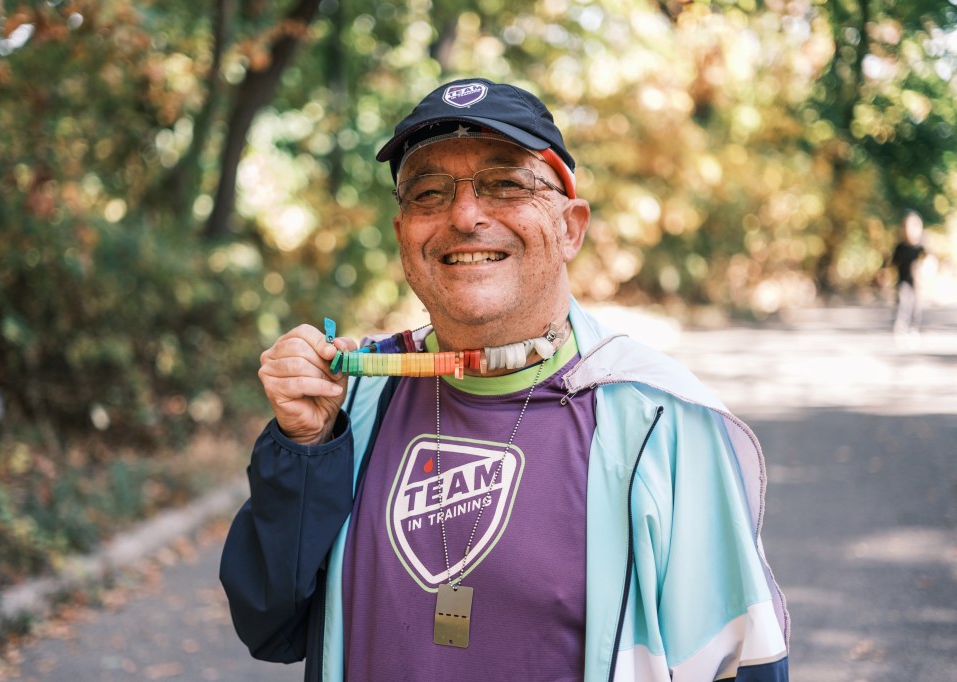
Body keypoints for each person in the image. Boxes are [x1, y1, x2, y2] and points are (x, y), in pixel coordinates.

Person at [220, 78, 790, 681]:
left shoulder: (661, 421)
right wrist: (304, 447)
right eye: (429, 192)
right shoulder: (355, 400)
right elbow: (270, 624)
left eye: (506, 184)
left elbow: (740, 661)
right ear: (402, 236)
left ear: (571, 228)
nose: (464, 215)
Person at [892, 210, 927, 338]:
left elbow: (928, 261)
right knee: (903, 302)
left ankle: (914, 327)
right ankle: (901, 326)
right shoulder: (900, 247)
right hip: (903, 281)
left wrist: (923, 269)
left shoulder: (921, 248)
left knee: (916, 304)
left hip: (918, 282)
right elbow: (893, 263)